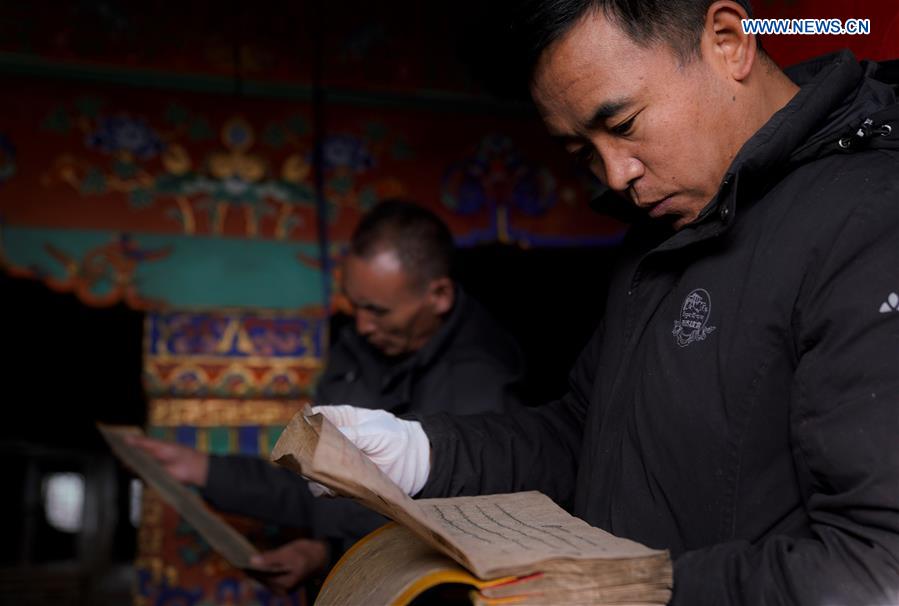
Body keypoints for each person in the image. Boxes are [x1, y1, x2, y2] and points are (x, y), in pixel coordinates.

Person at [312, 2, 899, 604]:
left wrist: (627, 594)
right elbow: (587, 436)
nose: (615, 175)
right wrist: (421, 454)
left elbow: (878, 570)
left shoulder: (871, 220)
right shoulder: (658, 236)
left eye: (622, 125)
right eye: (582, 153)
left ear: (727, 42)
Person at [129, 200, 526, 592]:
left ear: (438, 295)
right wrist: (205, 470)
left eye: (377, 310)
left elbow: (444, 529)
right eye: (354, 306)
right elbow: (317, 482)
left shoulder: (484, 382)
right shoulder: (353, 354)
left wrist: (327, 551)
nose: (363, 325)